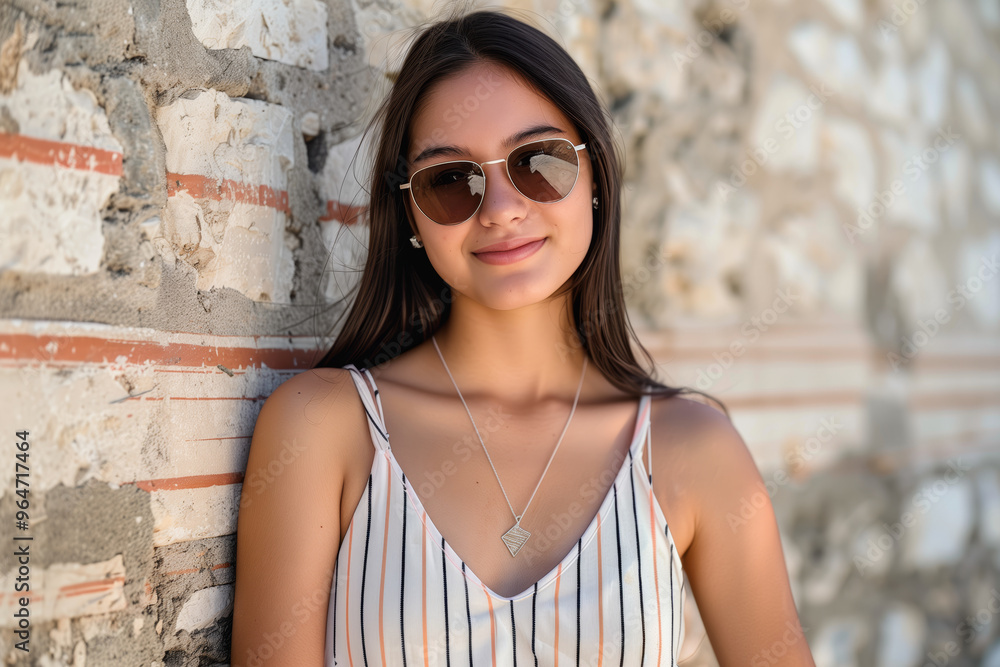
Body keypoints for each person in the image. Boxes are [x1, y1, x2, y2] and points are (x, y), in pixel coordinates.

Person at [231, 6, 815, 666]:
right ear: (413, 215)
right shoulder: (321, 428)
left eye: (540, 161)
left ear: (594, 179)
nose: (502, 208)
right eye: (451, 179)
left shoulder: (693, 449)